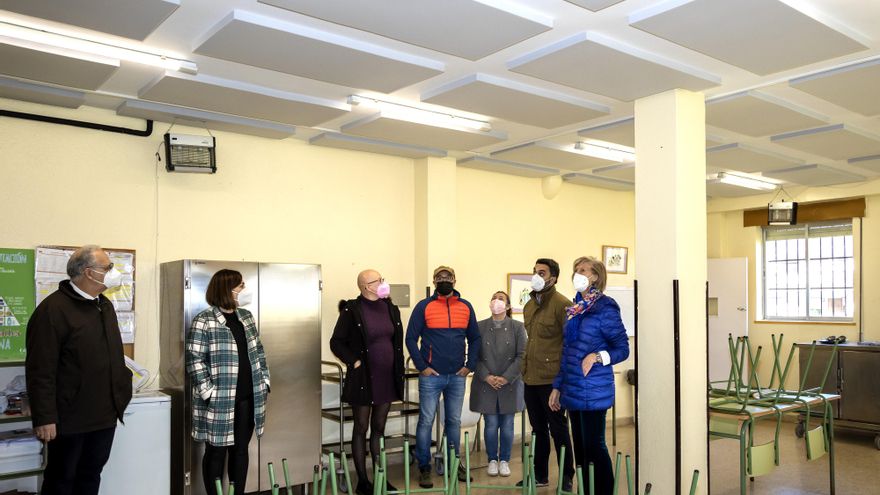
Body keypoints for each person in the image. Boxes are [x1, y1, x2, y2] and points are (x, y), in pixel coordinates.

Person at [25, 245, 133, 495]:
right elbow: (40, 369)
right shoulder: (53, 310)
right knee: (62, 479)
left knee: (90, 475)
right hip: (69, 417)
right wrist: (45, 417)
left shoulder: (104, 306)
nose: (112, 272)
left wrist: (122, 390)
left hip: (104, 414)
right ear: (89, 272)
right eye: (107, 267)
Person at [186, 269, 270, 495]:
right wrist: (208, 393)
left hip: (248, 397)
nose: (244, 289)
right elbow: (194, 359)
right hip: (219, 400)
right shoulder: (204, 320)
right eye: (240, 285)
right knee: (216, 452)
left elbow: (259, 351)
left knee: (240, 450)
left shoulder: (246, 317)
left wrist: (265, 380)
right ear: (227, 289)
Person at [550, 257, 629, 495]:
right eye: (576, 270)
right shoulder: (575, 308)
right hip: (573, 388)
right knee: (581, 448)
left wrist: (597, 356)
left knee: (595, 446)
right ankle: (586, 490)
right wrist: (557, 386)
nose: (578, 273)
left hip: (594, 389)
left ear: (595, 276)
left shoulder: (606, 307)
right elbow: (567, 351)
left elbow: (622, 348)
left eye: (583, 270)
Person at [330, 269, 405, 495]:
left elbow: (395, 341)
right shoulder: (352, 310)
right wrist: (353, 361)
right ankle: (363, 481)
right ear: (366, 286)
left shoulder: (390, 308)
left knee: (379, 428)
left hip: (387, 377)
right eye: (377, 280)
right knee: (361, 428)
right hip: (363, 379)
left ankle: (381, 477)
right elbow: (336, 342)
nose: (382, 282)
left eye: (382, 279)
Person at [405, 265, 480, 488]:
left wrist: (469, 366)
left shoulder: (466, 307)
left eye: (448, 276)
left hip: (457, 376)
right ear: (434, 281)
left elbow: (475, 338)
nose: (444, 280)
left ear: (455, 280)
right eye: (439, 277)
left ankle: (453, 463)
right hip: (431, 376)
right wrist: (422, 367)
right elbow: (410, 338)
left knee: (454, 422)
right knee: (426, 421)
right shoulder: (424, 306)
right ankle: (424, 467)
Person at [520, 258, 574, 490]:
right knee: (538, 429)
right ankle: (539, 475)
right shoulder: (529, 305)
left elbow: (570, 345)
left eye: (541, 272)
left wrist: (560, 384)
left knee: (558, 429)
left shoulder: (563, 305)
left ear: (554, 278)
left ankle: (566, 477)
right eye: (534, 271)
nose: (536, 276)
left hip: (552, 379)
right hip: (530, 376)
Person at [469, 291, 526, 478]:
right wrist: (486, 376)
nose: (496, 301)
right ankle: (492, 459)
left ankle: (504, 460)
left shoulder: (518, 327)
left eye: (501, 299)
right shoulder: (479, 327)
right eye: (494, 298)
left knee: (508, 424)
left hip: (510, 383)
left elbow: (522, 356)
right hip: (486, 383)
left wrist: (506, 377)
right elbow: (474, 356)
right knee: (491, 424)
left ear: (508, 306)